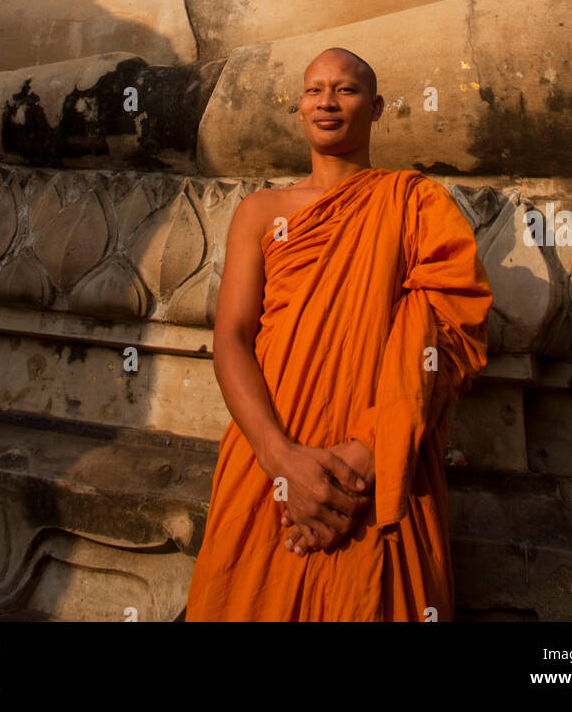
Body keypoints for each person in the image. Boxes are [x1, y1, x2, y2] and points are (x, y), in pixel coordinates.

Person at [185, 46, 493, 622]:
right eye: (314, 89)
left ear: (375, 107)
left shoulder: (414, 202)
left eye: (346, 90)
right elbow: (231, 340)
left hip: (381, 475)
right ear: (300, 106)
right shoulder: (262, 211)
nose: (327, 101)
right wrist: (284, 462)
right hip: (268, 459)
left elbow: (448, 333)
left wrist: (365, 460)